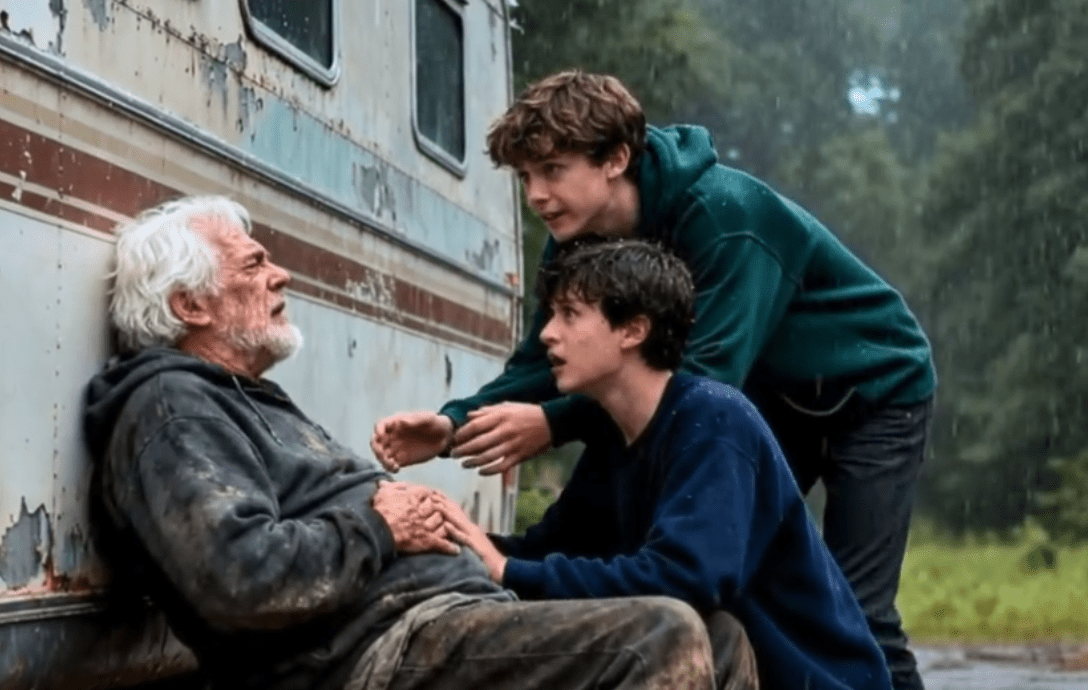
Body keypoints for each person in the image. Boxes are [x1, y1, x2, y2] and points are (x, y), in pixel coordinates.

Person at [371, 70, 936, 690]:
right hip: (758, 397)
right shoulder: (575, 239)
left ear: (616, 159)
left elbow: (692, 384)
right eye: (525, 177)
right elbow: (539, 364)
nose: (536, 195)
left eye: (553, 170)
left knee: (857, 612)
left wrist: (553, 424)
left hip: (870, 392)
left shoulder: (726, 219)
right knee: (732, 575)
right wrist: (452, 422)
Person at [82, 196, 753, 690]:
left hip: (439, 619)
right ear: (190, 307)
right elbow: (236, 580)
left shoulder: (242, 398)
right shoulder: (170, 407)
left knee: (717, 634)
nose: (279, 275)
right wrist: (378, 525)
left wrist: (452, 540)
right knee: (659, 637)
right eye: (253, 264)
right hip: (372, 653)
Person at [435, 239, 892, 689]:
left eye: (569, 314)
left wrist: (509, 570)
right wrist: (450, 538)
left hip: (818, 683)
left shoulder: (714, 421)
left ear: (633, 330)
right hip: (733, 672)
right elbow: (551, 549)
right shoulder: (616, 435)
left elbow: (686, 578)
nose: (548, 333)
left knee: (695, 627)